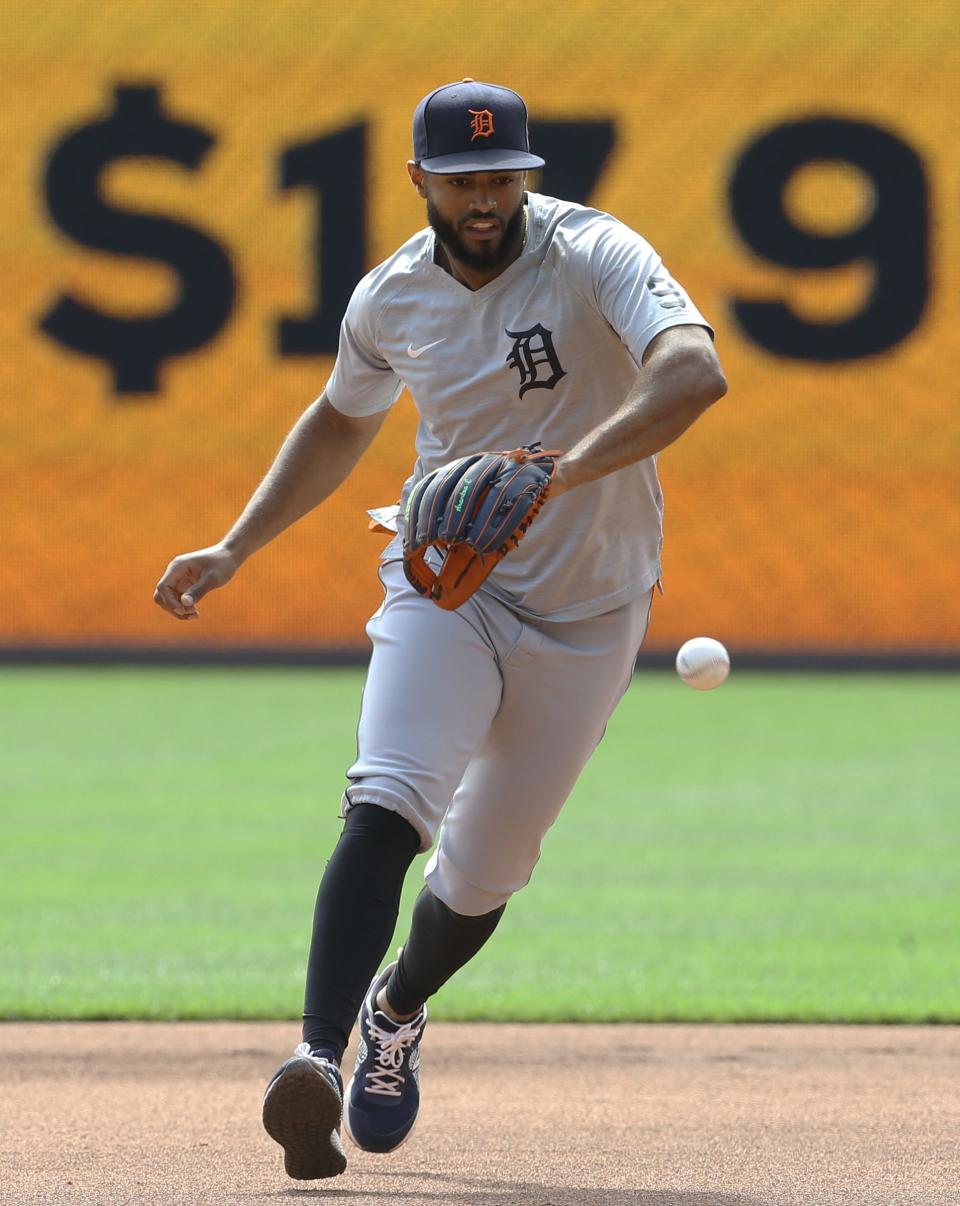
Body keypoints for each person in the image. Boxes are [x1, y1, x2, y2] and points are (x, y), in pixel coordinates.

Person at [154, 78, 727, 1180]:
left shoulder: (592, 251)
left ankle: (396, 1011)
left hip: (593, 604)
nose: (486, 195)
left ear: (528, 176)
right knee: (388, 799)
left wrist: (556, 474)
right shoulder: (390, 300)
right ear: (419, 178)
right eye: (464, 177)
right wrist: (234, 546)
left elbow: (695, 370)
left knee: (485, 868)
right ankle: (314, 1062)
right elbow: (339, 417)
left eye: (505, 174)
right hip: (445, 580)